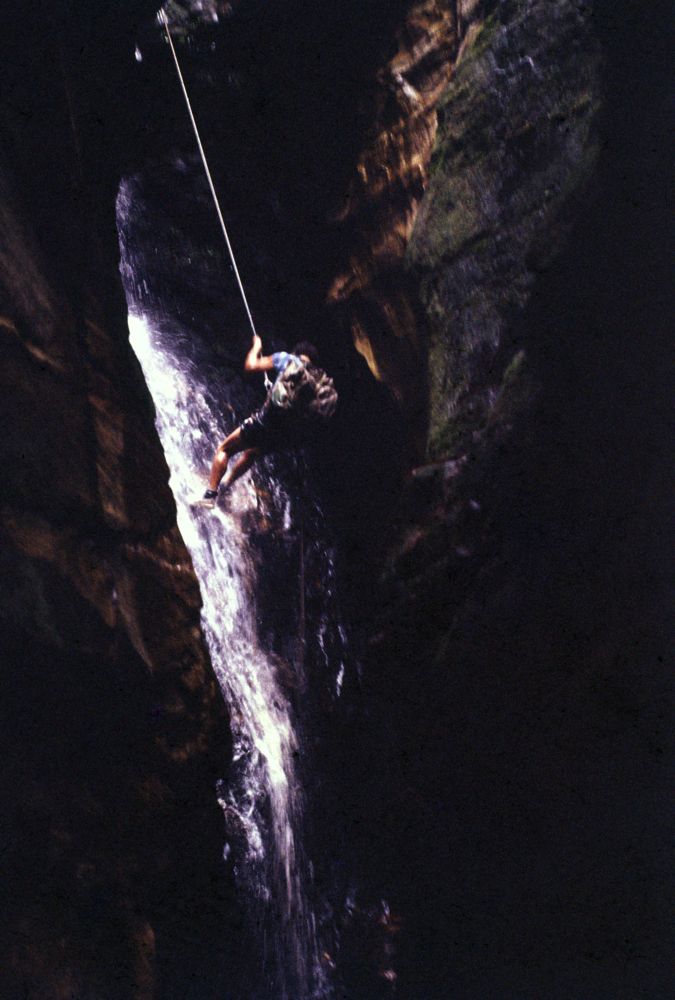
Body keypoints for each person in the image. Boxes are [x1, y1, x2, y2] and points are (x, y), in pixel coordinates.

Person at [193, 335, 325, 508]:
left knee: (224, 449)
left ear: (297, 352)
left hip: (265, 423)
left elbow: (250, 366)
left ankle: (210, 495)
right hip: (284, 437)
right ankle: (225, 486)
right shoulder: (315, 382)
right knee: (252, 452)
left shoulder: (287, 359)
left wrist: (257, 346)